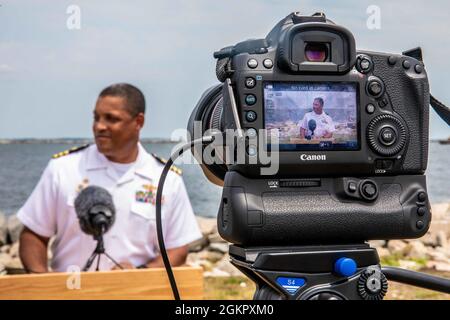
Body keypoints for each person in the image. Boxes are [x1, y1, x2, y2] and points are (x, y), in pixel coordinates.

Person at [17, 83, 202, 273]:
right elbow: (34, 235)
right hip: (70, 290)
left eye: (111, 119)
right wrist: (43, 284)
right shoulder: (63, 169)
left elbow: (177, 249)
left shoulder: (166, 179)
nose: (99, 126)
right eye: (96, 117)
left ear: (138, 122)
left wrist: (141, 272)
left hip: (136, 293)